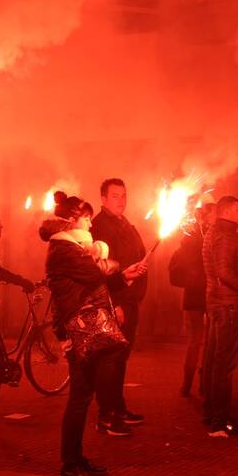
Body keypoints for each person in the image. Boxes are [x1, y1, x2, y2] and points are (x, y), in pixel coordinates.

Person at [40, 191, 146, 476]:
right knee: (78, 398)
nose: (90, 224)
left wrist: (124, 274)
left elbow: (98, 277)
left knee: (82, 397)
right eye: (87, 218)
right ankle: (70, 464)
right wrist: (108, 261)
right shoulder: (64, 249)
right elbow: (92, 273)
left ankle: (75, 459)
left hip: (85, 328)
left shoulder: (77, 249)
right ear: (74, 221)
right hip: (78, 329)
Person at [91, 178, 147, 427]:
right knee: (110, 360)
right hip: (115, 301)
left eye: (124, 195)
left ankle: (118, 406)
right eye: (115, 196)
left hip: (130, 298)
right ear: (103, 199)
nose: (121, 200)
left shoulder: (126, 225)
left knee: (121, 357)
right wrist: (115, 303)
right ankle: (107, 413)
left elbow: (136, 254)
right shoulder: (99, 227)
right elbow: (101, 272)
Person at [201, 196, 238, 438]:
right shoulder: (227, 235)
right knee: (224, 364)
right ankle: (219, 421)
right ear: (231, 210)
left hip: (216, 303)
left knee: (215, 359)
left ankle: (212, 412)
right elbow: (225, 271)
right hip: (229, 304)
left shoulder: (213, 233)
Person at [168, 202, 216, 397]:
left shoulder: (189, 237)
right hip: (203, 293)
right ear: (206, 218)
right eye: (213, 215)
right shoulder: (202, 238)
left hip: (196, 294)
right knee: (203, 340)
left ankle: (190, 384)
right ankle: (198, 383)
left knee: (198, 340)